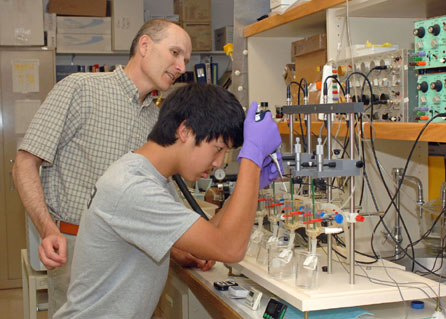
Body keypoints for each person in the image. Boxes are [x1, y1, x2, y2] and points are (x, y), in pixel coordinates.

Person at [11, 18, 209, 318]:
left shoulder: (156, 122)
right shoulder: (79, 89)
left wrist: (183, 250)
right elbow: (25, 163)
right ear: (145, 45)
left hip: (140, 258)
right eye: (175, 53)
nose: (182, 66)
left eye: (186, 59)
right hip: (79, 252)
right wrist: (47, 229)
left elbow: (157, 197)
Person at [53, 83, 282, 319]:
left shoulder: (151, 177)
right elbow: (230, 248)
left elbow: (210, 240)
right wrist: (252, 162)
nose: (218, 163)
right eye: (218, 149)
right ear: (185, 131)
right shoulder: (134, 188)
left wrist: (248, 191)